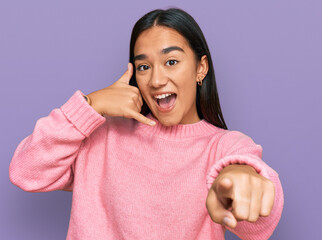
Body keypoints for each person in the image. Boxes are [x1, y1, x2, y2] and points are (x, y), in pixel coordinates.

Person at [9, 8, 284, 240]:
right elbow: (26, 170)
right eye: (144, 67)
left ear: (201, 68)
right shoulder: (102, 136)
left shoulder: (226, 147)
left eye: (171, 61)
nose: (155, 81)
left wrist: (240, 177)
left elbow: (258, 225)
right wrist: (90, 104)